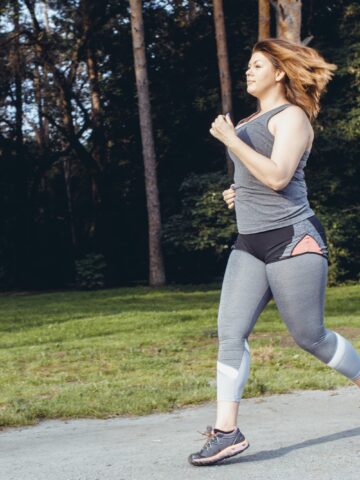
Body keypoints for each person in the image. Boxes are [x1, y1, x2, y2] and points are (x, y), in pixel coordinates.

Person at [188, 38, 360, 467]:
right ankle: (227, 432)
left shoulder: (293, 117)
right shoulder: (252, 119)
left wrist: (230, 138)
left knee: (310, 336)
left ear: (280, 72)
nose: (248, 71)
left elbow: (281, 176)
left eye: (257, 64)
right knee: (231, 332)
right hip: (251, 241)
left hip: (292, 238)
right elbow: (257, 174)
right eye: (247, 64)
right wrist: (238, 192)